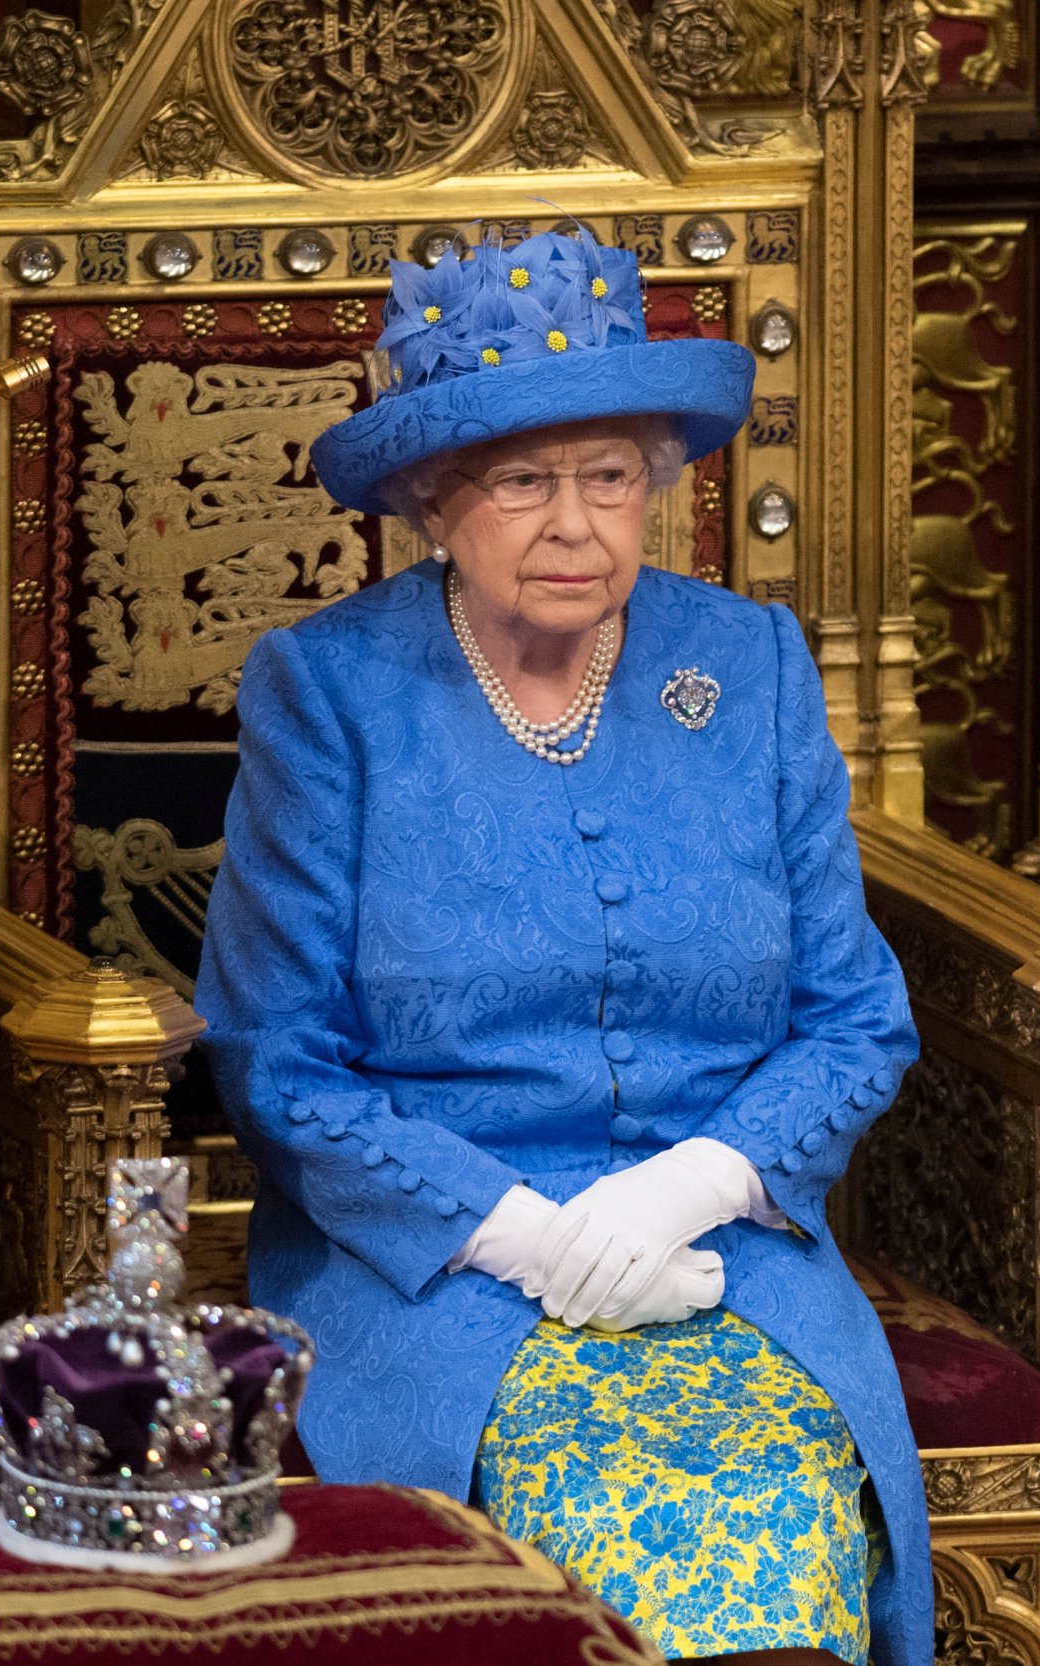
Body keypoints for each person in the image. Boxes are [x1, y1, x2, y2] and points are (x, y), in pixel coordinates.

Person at [196, 225, 929, 1666]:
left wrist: (692, 1187)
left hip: (730, 1257)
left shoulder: (753, 665)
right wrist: (525, 1234)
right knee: (599, 1511)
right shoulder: (329, 693)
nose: (577, 525)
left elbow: (856, 1016)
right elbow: (276, 1064)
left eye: (611, 477)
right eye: (525, 482)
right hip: (436, 1274)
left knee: (775, 1501)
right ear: (433, 498)